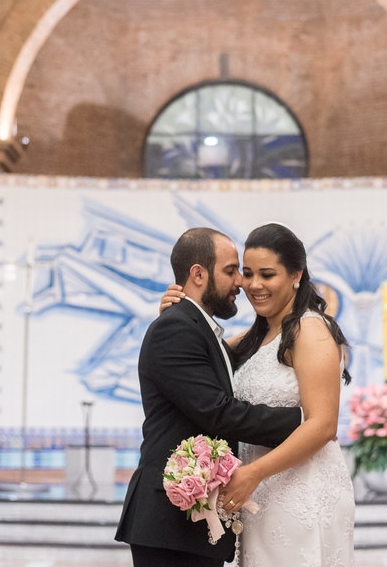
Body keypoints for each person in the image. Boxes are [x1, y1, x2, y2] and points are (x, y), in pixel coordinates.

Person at [158, 223, 355, 566]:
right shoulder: (255, 337)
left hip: (299, 489)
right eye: (246, 274)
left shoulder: (310, 330)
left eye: (267, 274)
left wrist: (254, 473)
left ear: (296, 275)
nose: (252, 285)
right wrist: (178, 312)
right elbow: (197, 354)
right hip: (259, 496)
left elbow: (323, 425)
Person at [115, 227, 303, 567]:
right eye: (231, 271)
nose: (241, 283)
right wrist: (304, 422)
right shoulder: (177, 328)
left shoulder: (196, 328)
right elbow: (218, 412)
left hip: (187, 525)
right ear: (198, 274)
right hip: (169, 523)